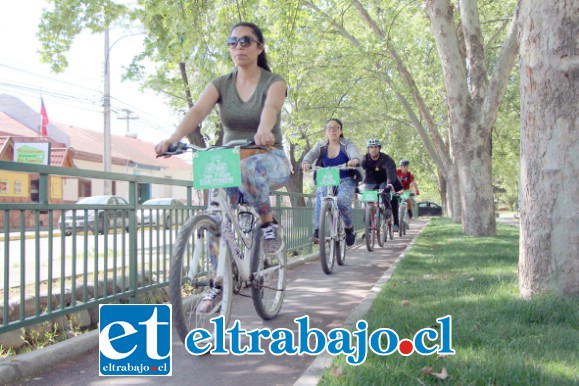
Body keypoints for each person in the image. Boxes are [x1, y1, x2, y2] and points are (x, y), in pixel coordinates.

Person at [155, 22, 290, 312]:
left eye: (245, 41)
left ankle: (267, 224)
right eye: (233, 42)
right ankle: (217, 283)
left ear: (259, 47)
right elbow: (198, 111)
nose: (238, 46)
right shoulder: (221, 83)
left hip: (268, 158)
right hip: (229, 159)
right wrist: (173, 139)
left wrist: (264, 131)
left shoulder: (274, 81)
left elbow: (271, 109)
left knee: (249, 169)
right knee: (216, 218)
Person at [302, 119, 362, 246]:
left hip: (345, 178)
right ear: (326, 131)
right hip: (327, 177)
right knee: (320, 197)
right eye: (329, 127)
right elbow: (311, 154)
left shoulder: (346, 144)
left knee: (342, 201)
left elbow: (354, 153)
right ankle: (318, 231)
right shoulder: (321, 145)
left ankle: (348, 228)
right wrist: (306, 162)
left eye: (336, 127)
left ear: (341, 130)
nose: (332, 130)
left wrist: (354, 160)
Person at [360, 139, 403, 232]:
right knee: (368, 202)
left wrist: (390, 184)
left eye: (375, 147)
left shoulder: (386, 159)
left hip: (384, 180)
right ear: (368, 149)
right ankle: (368, 228)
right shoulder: (364, 159)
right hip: (370, 182)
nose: (373, 149)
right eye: (371, 147)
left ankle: (387, 209)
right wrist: (356, 184)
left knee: (384, 191)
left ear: (379, 148)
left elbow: (390, 171)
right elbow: (359, 171)